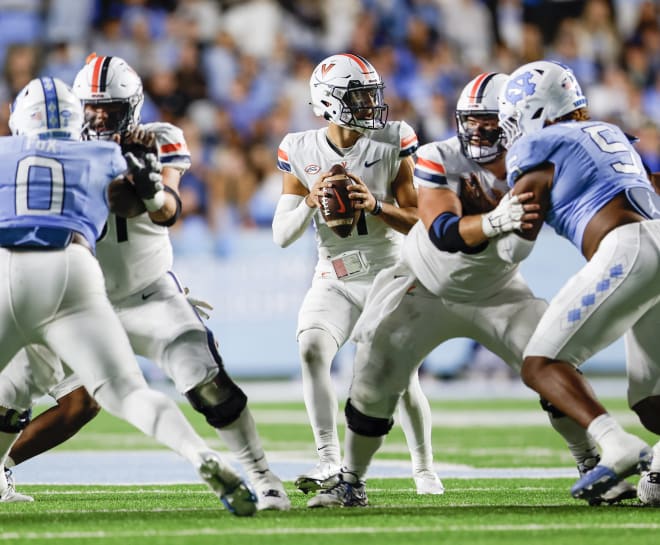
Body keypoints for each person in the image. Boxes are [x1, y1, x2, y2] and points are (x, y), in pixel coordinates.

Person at [304, 72, 634, 508]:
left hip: (499, 290)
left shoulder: (539, 164)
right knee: (373, 378)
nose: (477, 132)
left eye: (489, 122)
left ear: (514, 122)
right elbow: (441, 229)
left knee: (557, 368)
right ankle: (351, 479)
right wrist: (498, 220)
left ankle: (592, 465)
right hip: (425, 286)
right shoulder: (439, 156)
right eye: (470, 121)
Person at [0, 55, 290, 511]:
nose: (98, 119)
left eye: (109, 110)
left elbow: (166, 210)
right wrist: (137, 180)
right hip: (75, 300)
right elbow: (118, 200)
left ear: (131, 108)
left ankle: (262, 476)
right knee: (31, 399)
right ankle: (3, 468)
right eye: (91, 108)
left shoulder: (159, 138)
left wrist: (151, 185)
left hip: (144, 292)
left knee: (210, 383)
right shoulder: (65, 146)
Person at [272, 53, 443, 495]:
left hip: (390, 274)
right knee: (311, 347)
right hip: (334, 277)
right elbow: (280, 234)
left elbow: (419, 221)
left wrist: (375, 205)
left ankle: (423, 467)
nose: (370, 104)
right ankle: (328, 459)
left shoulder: (393, 140)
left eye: (371, 94)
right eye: (359, 96)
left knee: (402, 379)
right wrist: (310, 200)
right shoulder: (301, 148)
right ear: (328, 102)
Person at [497, 60, 659, 505]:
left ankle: (615, 443)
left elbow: (516, 246)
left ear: (530, 111)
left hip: (628, 248)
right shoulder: (607, 135)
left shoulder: (539, 147)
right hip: (652, 236)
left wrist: (492, 220)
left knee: (541, 364)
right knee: (651, 399)